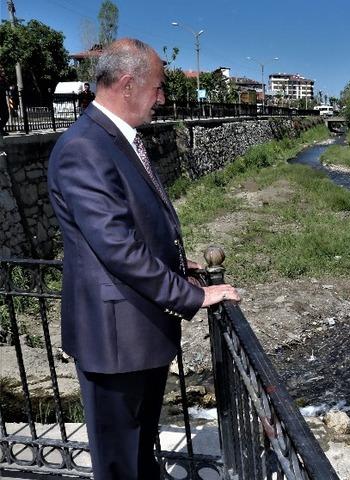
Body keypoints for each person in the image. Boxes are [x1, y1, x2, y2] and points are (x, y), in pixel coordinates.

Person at [47, 38, 240, 479]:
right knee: (121, 465)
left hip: (135, 335)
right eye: (158, 87)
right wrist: (195, 296)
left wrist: (180, 266)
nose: (162, 98)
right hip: (115, 342)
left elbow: (134, 227)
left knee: (139, 457)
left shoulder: (114, 139)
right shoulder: (85, 147)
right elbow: (117, 247)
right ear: (128, 84)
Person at [0, 71, 8, 135]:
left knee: (6, 116)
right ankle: (1, 130)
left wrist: (5, 79)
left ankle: (0, 128)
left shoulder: (3, 79)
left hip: (3, 100)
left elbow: (7, 88)